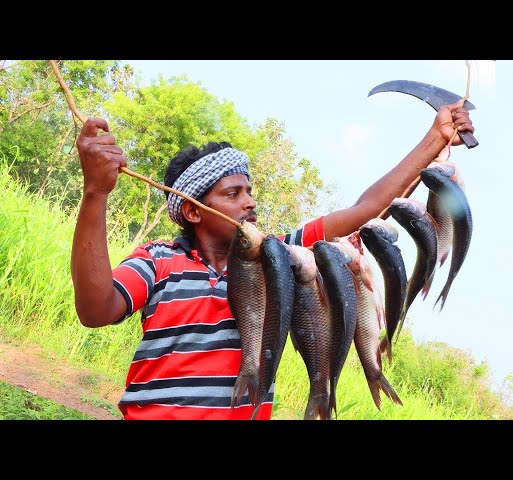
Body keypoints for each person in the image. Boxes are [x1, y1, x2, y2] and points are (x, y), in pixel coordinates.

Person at [70, 99, 475, 420]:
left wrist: (433, 140)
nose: (250, 201)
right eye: (233, 194)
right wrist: (96, 194)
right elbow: (95, 310)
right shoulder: (158, 260)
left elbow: (367, 208)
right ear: (193, 211)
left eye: (249, 190)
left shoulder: (282, 257)